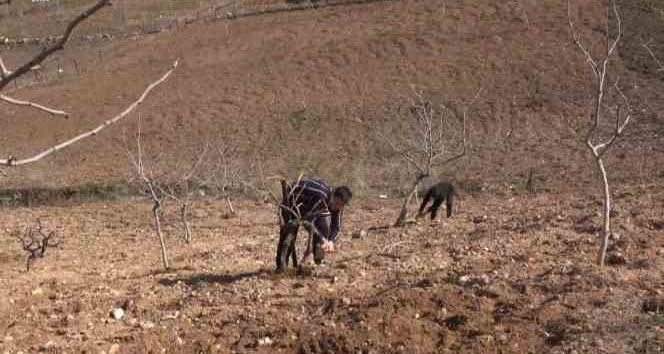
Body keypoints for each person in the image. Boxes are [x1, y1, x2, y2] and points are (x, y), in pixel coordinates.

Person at [275, 177, 352, 271]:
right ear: (333, 195)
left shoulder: (338, 204)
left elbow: (336, 225)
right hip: (293, 201)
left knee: (324, 230)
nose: (337, 207)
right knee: (288, 237)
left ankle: (318, 261)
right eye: (336, 203)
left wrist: (330, 241)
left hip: (311, 206)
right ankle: (281, 268)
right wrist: (322, 239)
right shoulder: (321, 197)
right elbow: (309, 223)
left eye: (340, 205)